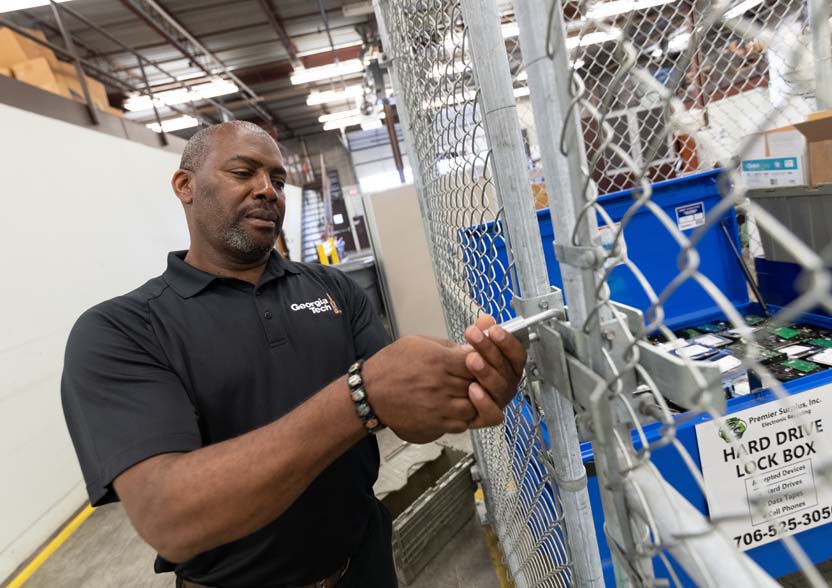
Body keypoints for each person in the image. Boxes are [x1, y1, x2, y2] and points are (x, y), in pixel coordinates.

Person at [61, 121, 526, 588]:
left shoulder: (333, 288)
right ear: (185, 186)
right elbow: (170, 518)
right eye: (243, 173)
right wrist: (361, 395)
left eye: (278, 181)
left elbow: (408, 420)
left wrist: (467, 385)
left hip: (363, 568)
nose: (267, 190)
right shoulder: (122, 330)